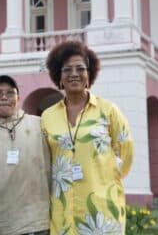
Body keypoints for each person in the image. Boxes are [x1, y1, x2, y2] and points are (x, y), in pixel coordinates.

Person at [42, 41, 134, 234]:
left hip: (101, 210)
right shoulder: (47, 117)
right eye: (67, 69)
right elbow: (45, 159)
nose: (74, 74)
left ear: (89, 75)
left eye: (80, 68)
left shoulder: (108, 110)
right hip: (63, 209)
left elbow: (126, 154)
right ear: (59, 76)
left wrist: (104, 177)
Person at [0, 75, 50, 235]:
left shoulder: (39, 124)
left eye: (10, 93)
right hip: (0, 225)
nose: (4, 97)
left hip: (39, 222)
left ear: (18, 98)